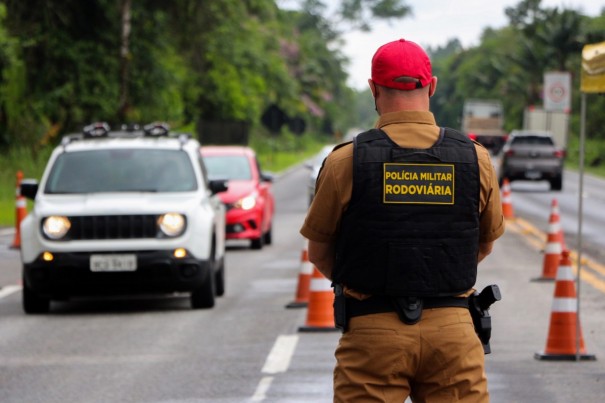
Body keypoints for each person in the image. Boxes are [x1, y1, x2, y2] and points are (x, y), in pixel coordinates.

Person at [299, 38, 505, 402]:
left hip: (372, 332)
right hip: (454, 333)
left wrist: (374, 275)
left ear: (373, 89)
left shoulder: (346, 161)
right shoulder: (476, 159)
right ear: (433, 86)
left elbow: (319, 251)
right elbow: (484, 242)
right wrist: (435, 270)